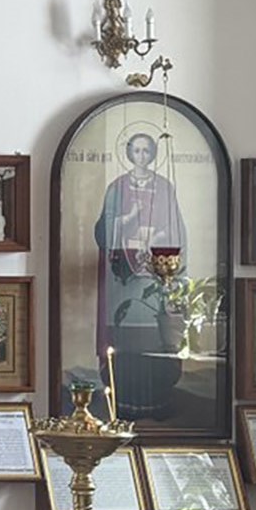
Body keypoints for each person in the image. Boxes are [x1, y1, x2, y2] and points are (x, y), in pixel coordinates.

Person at [93, 131, 185, 355]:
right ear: (129, 154)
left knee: (155, 322)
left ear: (152, 154)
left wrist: (157, 238)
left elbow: (175, 227)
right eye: (137, 151)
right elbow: (104, 229)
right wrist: (131, 217)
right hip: (123, 268)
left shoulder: (164, 186)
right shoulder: (117, 187)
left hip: (155, 266)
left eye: (146, 151)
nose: (141, 156)